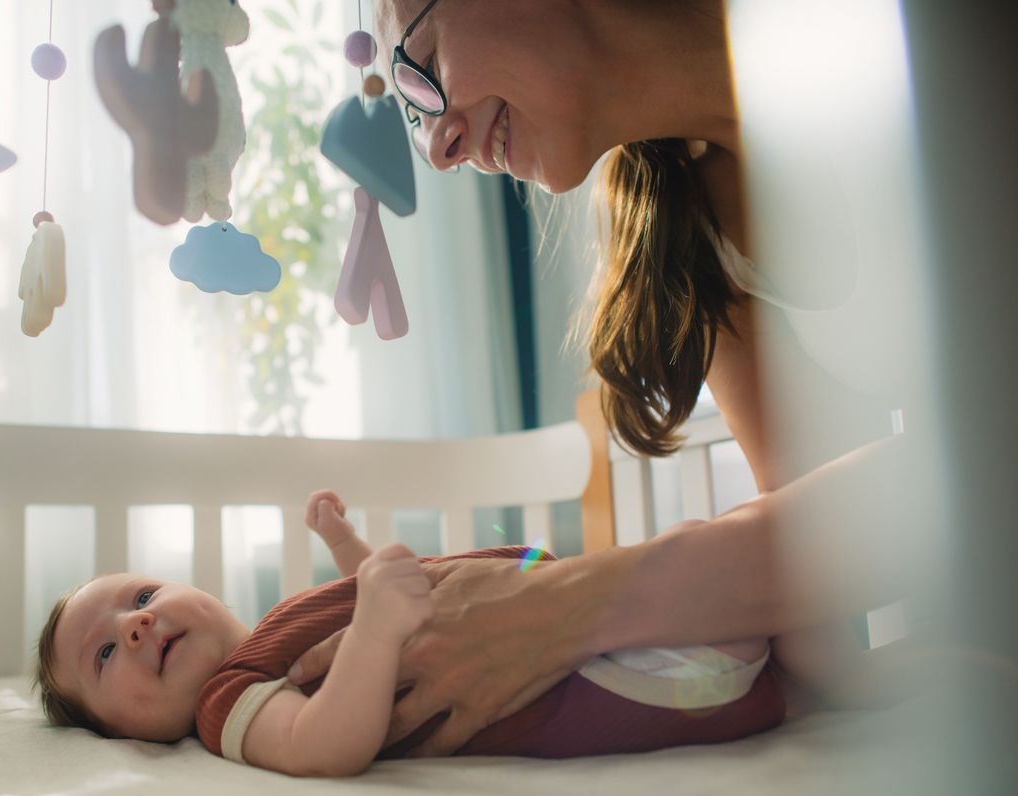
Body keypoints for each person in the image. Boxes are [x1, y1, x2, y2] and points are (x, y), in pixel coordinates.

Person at [284, 0, 928, 758]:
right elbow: (821, 543)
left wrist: (570, 603)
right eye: (414, 123)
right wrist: (863, 685)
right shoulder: (692, 237)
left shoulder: (894, 47)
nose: (439, 149)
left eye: (416, 75)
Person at [33, 491, 783, 777]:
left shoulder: (277, 629)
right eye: (103, 654)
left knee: (719, 550)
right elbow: (324, 741)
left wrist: (346, 551)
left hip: (578, 618)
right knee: (730, 579)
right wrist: (376, 630)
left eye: (142, 594)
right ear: (118, 732)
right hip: (584, 681)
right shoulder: (228, 706)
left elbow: (378, 598)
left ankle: (801, 662)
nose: (136, 625)